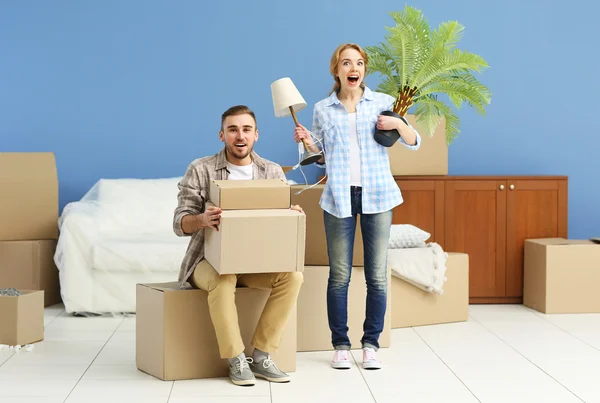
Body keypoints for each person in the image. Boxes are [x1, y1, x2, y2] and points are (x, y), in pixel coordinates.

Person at [293, 43, 421, 370]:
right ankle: (339, 344)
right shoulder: (323, 109)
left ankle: (370, 344)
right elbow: (323, 155)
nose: (354, 68)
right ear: (336, 70)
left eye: (360, 63)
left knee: (377, 276)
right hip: (338, 196)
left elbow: (413, 141)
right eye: (347, 63)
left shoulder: (381, 102)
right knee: (340, 275)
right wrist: (308, 142)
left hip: (378, 195)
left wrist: (398, 125)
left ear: (364, 70)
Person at [174, 105, 305, 386]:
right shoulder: (201, 169)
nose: (240, 136)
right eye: (233, 129)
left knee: (293, 277)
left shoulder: (270, 171)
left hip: (254, 263)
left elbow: (278, 222)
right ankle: (236, 360)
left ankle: (261, 356)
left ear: (256, 135)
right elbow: (179, 223)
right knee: (223, 279)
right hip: (206, 262)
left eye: (246, 129)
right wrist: (201, 219)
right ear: (222, 135)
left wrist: (290, 213)